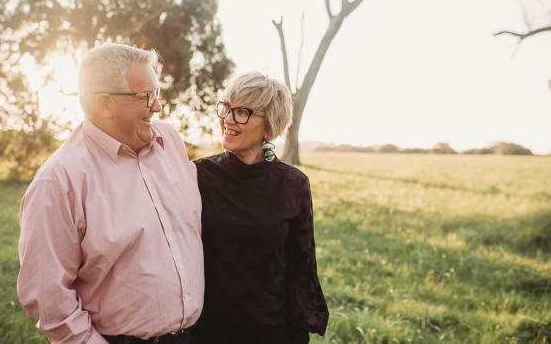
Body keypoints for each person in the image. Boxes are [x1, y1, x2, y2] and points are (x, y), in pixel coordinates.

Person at [17, 43, 203, 344]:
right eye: (147, 96)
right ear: (105, 104)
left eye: (157, 93)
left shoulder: (170, 141)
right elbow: (49, 298)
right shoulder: (58, 182)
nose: (157, 107)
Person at [191, 72, 329, 344]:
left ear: (269, 127)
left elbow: (300, 267)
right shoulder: (198, 175)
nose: (228, 120)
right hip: (206, 332)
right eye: (226, 108)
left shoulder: (293, 184)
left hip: (270, 332)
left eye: (242, 112)